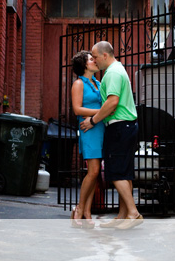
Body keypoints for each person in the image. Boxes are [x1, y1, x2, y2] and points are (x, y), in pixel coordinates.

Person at [79, 41, 143, 229]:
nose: (94, 60)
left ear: (105, 55)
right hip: (126, 127)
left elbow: (112, 102)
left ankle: (133, 213)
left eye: (95, 56)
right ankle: (123, 216)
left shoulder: (113, 73)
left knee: (117, 173)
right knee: (125, 172)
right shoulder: (117, 70)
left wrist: (93, 121)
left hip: (120, 127)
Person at [70, 50, 104, 228]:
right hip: (88, 128)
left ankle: (87, 211)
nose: (95, 61)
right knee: (93, 171)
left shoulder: (97, 83)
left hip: (99, 127)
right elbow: (77, 110)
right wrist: (102, 112)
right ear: (83, 65)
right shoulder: (78, 84)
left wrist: (101, 115)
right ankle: (79, 208)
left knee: (96, 172)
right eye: (91, 59)